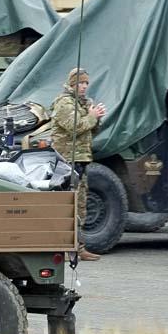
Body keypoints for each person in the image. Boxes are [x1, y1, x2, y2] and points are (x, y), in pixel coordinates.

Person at [48, 68, 106, 262]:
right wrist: (90, 116)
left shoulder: (83, 104)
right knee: (67, 207)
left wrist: (96, 117)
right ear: (72, 84)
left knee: (80, 207)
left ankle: (78, 248)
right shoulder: (64, 103)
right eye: (81, 83)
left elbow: (90, 131)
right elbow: (74, 127)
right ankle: (63, 248)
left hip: (81, 160)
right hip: (67, 161)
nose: (84, 87)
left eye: (86, 83)